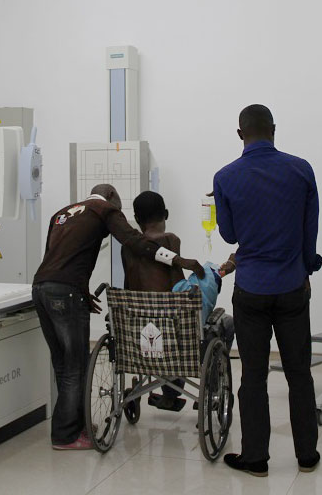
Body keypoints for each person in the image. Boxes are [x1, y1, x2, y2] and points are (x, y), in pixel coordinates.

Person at [32, 184, 204, 450]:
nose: (119, 211)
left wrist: (80, 289)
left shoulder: (63, 213)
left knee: (63, 365)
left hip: (41, 288)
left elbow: (56, 258)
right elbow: (135, 241)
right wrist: (180, 261)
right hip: (66, 295)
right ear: (111, 196)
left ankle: (69, 429)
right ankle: (67, 436)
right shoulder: (104, 209)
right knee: (76, 366)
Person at [213, 104, 322, 476]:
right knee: (300, 374)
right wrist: (308, 266)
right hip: (293, 286)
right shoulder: (301, 170)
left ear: (240, 134)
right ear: (274, 129)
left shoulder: (225, 177)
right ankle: (307, 455)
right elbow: (310, 232)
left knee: (253, 376)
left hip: (251, 291)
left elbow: (229, 235)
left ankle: (255, 457)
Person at [121, 190, 232, 412]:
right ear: (166, 214)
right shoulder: (170, 240)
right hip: (172, 337)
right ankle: (210, 390)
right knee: (226, 323)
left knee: (164, 325)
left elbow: (129, 286)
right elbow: (177, 289)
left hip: (139, 336)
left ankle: (170, 393)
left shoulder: (127, 247)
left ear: (138, 219)